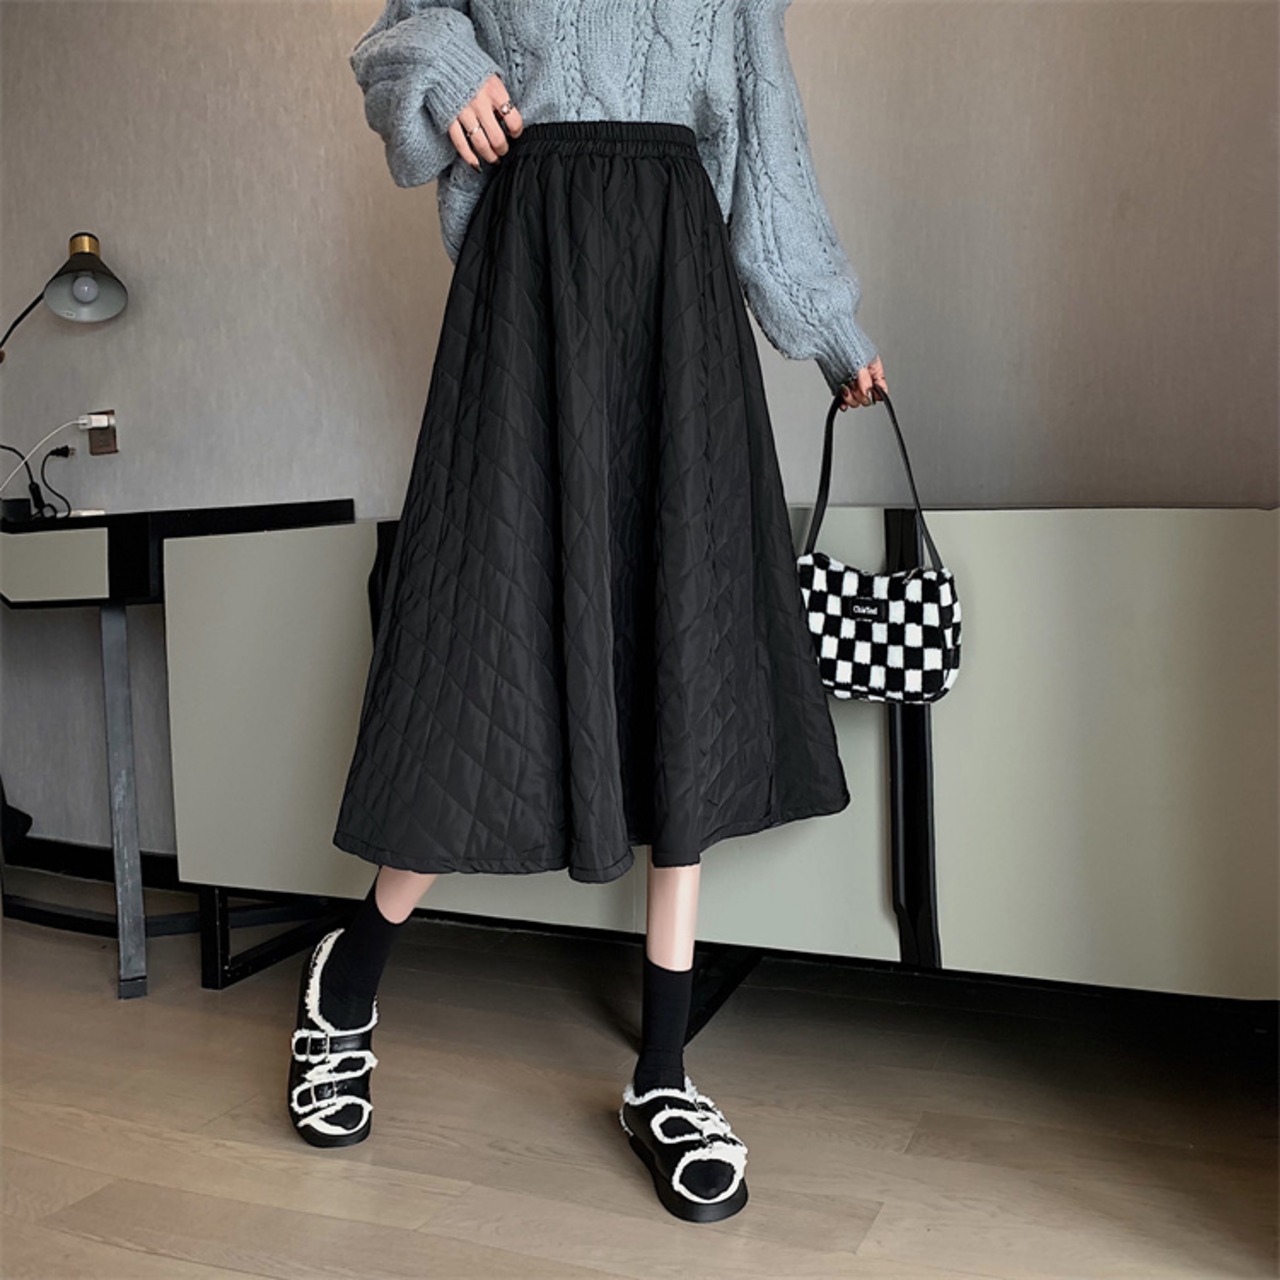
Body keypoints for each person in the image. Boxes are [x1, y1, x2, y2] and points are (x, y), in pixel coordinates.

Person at [287, 0, 890, 1223]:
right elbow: (403, 32)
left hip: (677, 286)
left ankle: (662, 1071)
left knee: (684, 639)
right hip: (532, 276)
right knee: (477, 649)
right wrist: (448, 65)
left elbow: (761, 128)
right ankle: (349, 972)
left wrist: (827, 325)